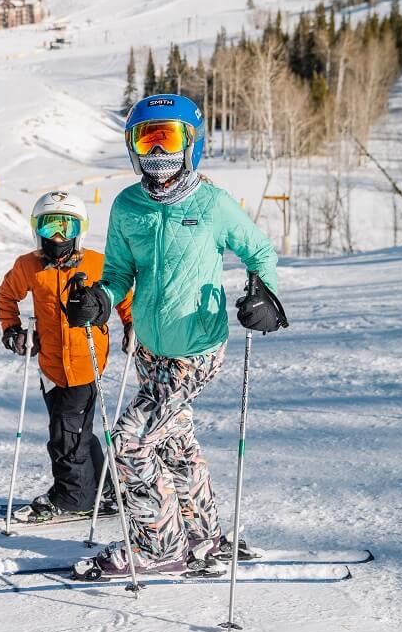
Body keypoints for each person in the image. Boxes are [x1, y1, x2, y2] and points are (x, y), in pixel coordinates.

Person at [65, 93, 288, 579]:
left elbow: (261, 253)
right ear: (132, 145)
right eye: (147, 137)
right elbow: (120, 271)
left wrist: (264, 298)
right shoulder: (128, 206)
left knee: (130, 441)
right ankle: (205, 537)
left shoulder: (212, 203)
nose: (157, 150)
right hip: (150, 350)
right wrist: (101, 299)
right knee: (174, 442)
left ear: (192, 142)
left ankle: (159, 546)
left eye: (167, 136)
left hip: (196, 350)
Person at [0, 190, 134, 522]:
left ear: (79, 230)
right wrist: (13, 330)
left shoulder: (98, 264)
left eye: (66, 227)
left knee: (65, 434)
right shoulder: (28, 266)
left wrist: (132, 325)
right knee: (75, 430)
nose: (57, 236)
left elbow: (125, 297)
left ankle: (74, 497)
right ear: (36, 229)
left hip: (86, 362)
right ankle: (104, 488)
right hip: (50, 366)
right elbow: (6, 297)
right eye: (49, 227)